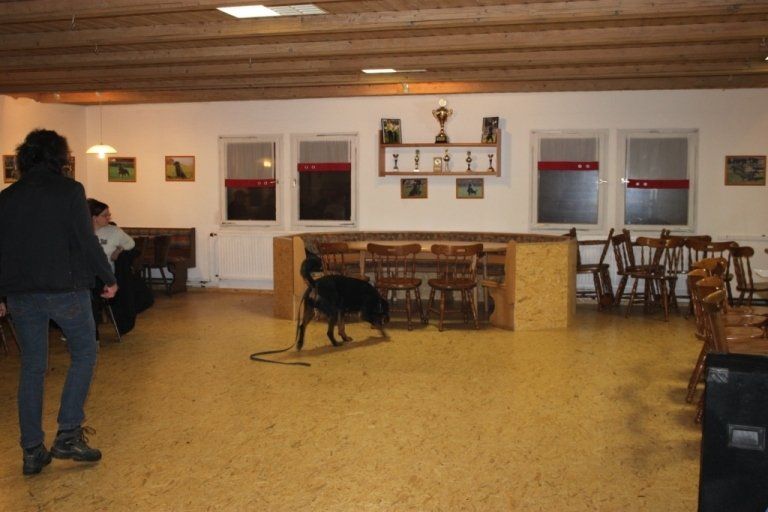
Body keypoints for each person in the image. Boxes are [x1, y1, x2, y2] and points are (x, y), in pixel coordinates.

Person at [0, 129, 117, 476]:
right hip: (66, 291)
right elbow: (86, 240)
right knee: (84, 354)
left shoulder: (7, 197)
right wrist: (108, 278)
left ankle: (32, 450)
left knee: (32, 368)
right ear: (59, 157)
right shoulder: (70, 191)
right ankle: (67, 434)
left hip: (21, 295)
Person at [87, 198, 135, 269]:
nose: (108, 218)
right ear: (94, 218)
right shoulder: (82, 231)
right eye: (105, 215)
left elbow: (130, 243)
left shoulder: (114, 231)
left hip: (105, 271)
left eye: (109, 215)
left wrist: (118, 250)